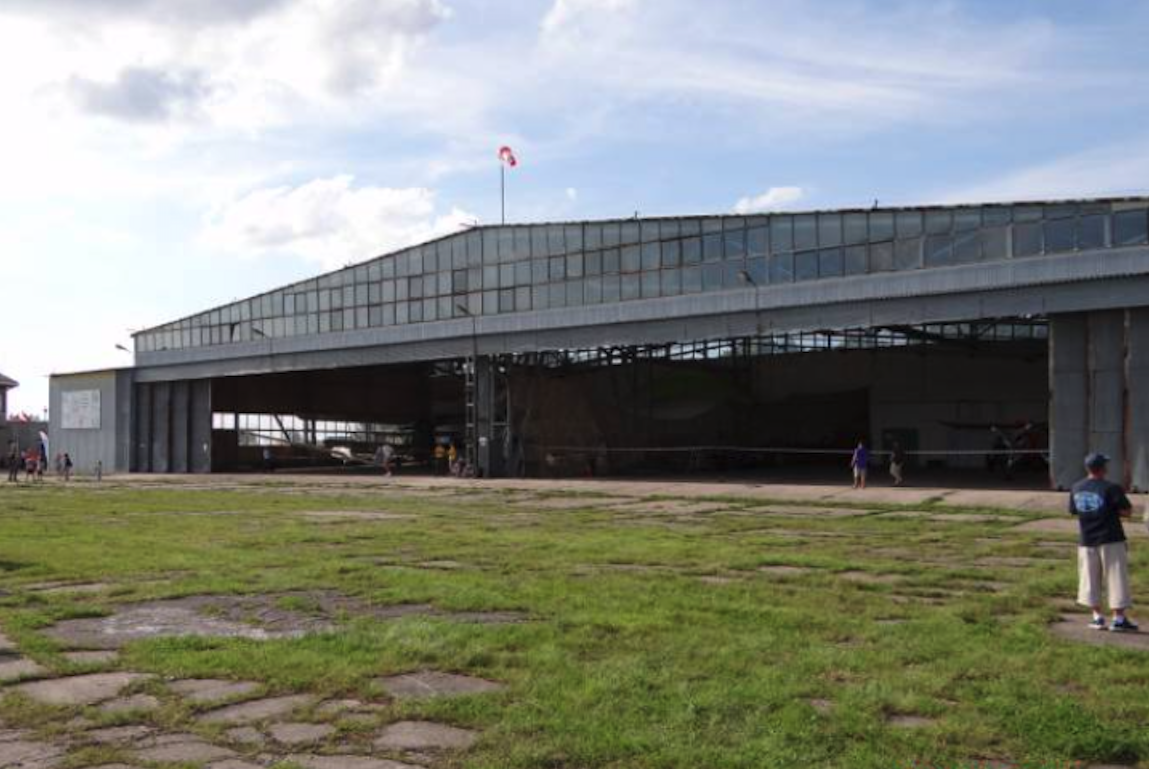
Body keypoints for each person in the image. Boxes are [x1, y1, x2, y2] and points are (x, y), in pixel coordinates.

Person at [1069, 453, 1138, 632]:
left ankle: (1097, 617)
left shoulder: (1076, 487)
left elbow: (1074, 510)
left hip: (1086, 539)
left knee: (1089, 578)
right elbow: (1127, 511)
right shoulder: (1111, 488)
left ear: (1087, 468)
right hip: (1111, 538)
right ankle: (1119, 619)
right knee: (1116, 577)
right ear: (1103, 468)